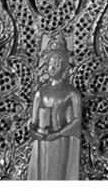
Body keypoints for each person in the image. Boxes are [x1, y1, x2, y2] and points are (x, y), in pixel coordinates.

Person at [22, 38, 83, 180]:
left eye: (56, 64)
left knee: (56, 174)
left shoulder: (71, 93)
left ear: (65, 68)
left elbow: (77, 120)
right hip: (41, 139)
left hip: (59, 140)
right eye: (50, 63)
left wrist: (59, 133)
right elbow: (33, 121)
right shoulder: (41, 91)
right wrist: (34, 132)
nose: (52, 67)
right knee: (40, 174)